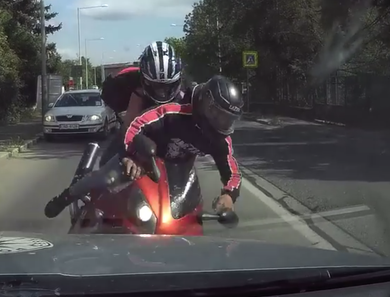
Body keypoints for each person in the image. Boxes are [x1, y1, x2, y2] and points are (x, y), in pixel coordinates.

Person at [45, 75, 244, 214]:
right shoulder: (174, 112)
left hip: (180, 170)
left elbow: (232, 171)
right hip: (144, 158)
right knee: (108, 178)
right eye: (218, 115)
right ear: (204, 102)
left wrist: (229, 195)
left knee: (191, 207)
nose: (221, 123)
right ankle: (69, 195)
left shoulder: (220, 138)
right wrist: (130, 155)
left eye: (228, 119)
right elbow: (134, 126)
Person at [99, 41, 184, 166]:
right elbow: (128, 129)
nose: (162, 92)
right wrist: (125, 156)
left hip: (171, 151)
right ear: (143, 80)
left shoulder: (185, 95)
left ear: (178, 79)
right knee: (107, 162)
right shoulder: (138, 92)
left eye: (167, 86)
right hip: (142, 140)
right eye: (155, 85)